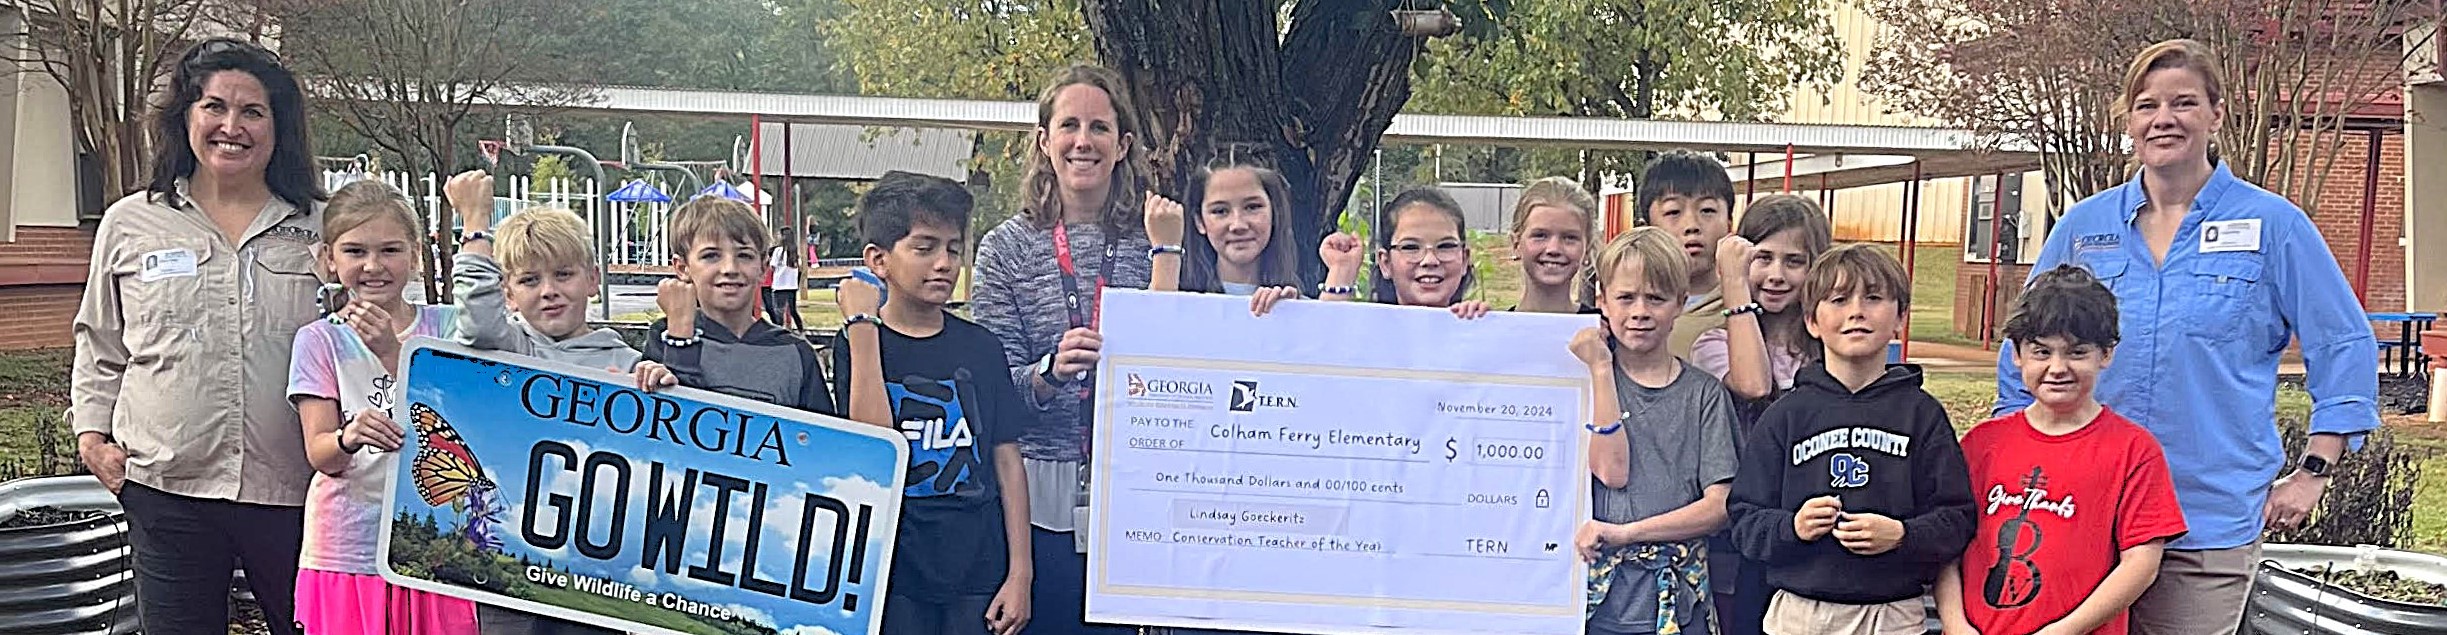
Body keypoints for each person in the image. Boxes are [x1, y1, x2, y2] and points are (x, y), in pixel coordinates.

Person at [1990, 40, 2379, 635]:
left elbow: (2344, 344)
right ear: (2129, 121)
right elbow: (2024, 351)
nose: (2163, 118)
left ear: (2216, 115)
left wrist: (2313, 472)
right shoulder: (2083, 227)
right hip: (2083, 518)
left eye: (2183, 103)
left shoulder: (2274, 227)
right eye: (2147, 106)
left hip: (2206, 522)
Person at [72, 38, 324, 635]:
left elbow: (376, 332)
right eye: (214, 106)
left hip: (299, 488)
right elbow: (100, 339)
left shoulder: (323, 224)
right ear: (186, 115)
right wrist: (91, 436)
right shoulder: (131, 222)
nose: (230, 126)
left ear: (277, 126)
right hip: (167, 486)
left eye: (252, 111)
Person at [967, 64, 1153, 635]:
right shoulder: (1005, 248)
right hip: (1036, 496)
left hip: (1137, 490)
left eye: (1099, 127)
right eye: (1068, 125)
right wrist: (1048, 374)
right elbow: (992, 391)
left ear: (1122, 145)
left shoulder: (1158, 242)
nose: (1083, 141)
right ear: (1044, 141)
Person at [443, 170, 671, 635]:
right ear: (507, 292)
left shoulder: (626, 364)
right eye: (529, 279)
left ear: (592, 280)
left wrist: (663, 386)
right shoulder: (508, 347)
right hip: (508, 557)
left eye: (563, 275)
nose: (549, 290)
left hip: (593, 574)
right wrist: (474, 226)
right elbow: (479, 321)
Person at [1728, 244, 1974, 635]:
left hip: (1892, 614)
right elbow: (1743, 519)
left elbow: (1957, 519)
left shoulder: (1921, 415)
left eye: (1873, 298)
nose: (1856, 311)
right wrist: (1793, 527)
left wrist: (1902, 536)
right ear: (1811, 320)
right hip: (1800, 613)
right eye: (1839, 300)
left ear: (1900, 317)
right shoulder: (1786, 416)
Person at [833, 172, 1035, 635]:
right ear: (879, 260)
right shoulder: (859, 342)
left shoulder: (982, 347)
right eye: (924, 248)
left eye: (953, 248)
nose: (944, 262)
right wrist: (863, 328)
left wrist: (1021, 571)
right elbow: (875, 446)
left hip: (977, 570)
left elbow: (1006, 458)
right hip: (894, 571)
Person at [1941, 265, 2187, 635]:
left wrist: (2066, 629)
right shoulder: (1982, 443)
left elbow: (2142, 562)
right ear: (2017, 355)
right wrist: (1956, 623)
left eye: (2076, 353)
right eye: (2042, 352)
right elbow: (1947, 545)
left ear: (2105, 354)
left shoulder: (2134, 451)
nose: (2058, 368)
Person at [285, 180, 477, 634]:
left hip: (435, 542)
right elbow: (320, 453)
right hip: (348, 545)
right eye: (355, 252)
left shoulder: (447, 325)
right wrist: (348, 437)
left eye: (390, 250)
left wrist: (393, 354)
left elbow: (467, 424)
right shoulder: (319, 341)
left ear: (414, 253)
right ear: (329, 259)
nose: (373, 266)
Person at [1573, 227, 1740, 635]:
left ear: (1680, 303)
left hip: (1677, 602)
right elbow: (1612, 472)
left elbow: (1720, 505)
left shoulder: (1705, 395)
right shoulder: (1580, 382)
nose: (1641, 311)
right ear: (1603, 303)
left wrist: (1628, 533)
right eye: (1626, 298)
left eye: (1657, 298)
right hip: (1595, 600)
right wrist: (1599, 369)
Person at [1688, 194, 1833, 635]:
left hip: (1821, 530)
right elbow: (1753, 385)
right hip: (1751, 535)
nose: (1775, 275)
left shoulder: (1832, 350)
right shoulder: (1714, 343)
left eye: (1794, 261)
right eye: (1761, 258)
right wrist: (1733, 281)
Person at [645, 195, 835, 415]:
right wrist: (680, 338)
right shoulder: (665, 337)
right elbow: (670, 429)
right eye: (711, 256)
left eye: (744, 255)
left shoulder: (794, 353)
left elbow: (823, 440)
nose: (730, 268)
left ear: (763, 267)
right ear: (682, 267)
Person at [1145, 153, 1306, 316]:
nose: (1238, 225)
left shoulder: (1298, 304)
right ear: (1199, 221)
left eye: (1252, 207)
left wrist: (1291, 316)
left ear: (1274, 213)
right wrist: (1166, 253)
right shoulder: (1173, 297)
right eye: (1220, 211)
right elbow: (1157, 331)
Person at [1317, 187, 1492, 319]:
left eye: (1445, 246)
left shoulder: (1479, 331)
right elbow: (1324, 345)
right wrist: (1341, 270)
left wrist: (1480, 327)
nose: (1430, 260)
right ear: (1385, 263)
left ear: (1464, 259)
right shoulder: (1366, 330)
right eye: (1410, 247)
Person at [1634, 151, 1737, 356]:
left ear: (1729, 224)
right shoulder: (1625, 309)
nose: (1691, 225)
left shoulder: (1745, 304)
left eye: (1707, 210)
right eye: (1673, 212)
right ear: (1646, 229)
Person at [1510, 177, 1600, 314]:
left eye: (1570, 238)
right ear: (1516, 244)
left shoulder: (1608, 331)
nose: (1554, 249)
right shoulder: (1488, 329)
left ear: (1587, 248)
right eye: (1540, 235)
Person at [770, 226, 806, 331]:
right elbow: (800, 268)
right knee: (793, 310)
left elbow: (773, 266)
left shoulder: (778, 251)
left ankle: (779, 330)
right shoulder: (794, 252)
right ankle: (800, 330)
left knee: (778, 310)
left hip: (779, 284)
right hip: (791, 285)